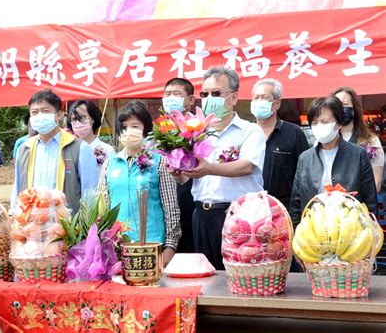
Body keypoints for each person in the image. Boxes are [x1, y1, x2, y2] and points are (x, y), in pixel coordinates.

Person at [171, 67, 266, 270]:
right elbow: (191, 178)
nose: (209, 99)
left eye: (216, 94)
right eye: (204, 94)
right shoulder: (196, 132)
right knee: (207, 277)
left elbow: (246, 166)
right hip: (202, 214)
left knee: (238, 273)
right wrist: (179, 173)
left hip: (237, 216)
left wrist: (209, 169)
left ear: (233, 98)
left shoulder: (250, 131)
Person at [99, 100, 181, 266]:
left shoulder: (159, 162)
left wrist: (170, 247)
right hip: (117, 246)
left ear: (145, 129)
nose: (129, 131)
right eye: (124, 127)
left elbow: (170, 206)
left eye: (135, 126)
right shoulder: (110, 163)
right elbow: (103, 206)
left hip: (152, 245)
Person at [290, 96, 377, 225]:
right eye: (314, 123)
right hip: (313, 230)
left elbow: (370, 200)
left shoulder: (358, 155)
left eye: (325, 121)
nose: (319, 126)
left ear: (339, 123)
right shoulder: (305, 158)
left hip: (349, 229)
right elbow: (296, 202)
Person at [12, 90, 99, 212]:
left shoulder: (79, 148)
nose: (39, 116)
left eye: (45, 111)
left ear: (59, 115)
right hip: (31, 225)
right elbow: (17, 189)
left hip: (68, 226)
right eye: (34, 112)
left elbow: (91, 192)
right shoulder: (24, 149)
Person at [251, 78, 309, 209]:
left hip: (284, 209)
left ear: (276, 104)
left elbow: (304, 175)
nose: (259, 102)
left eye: (264, 97)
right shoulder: (245, 133)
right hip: (250, 209)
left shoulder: (294, 133)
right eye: (256, 98)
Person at [162, 78, 196, 253]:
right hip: (165, 212)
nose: (170, 98)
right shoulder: (160, 129)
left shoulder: (199, 129)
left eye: (176, 94)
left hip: (191, 206)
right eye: (167, 94)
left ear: (190, 100)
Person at [332, 87, 384, 192]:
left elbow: (376, 183)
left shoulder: (371, 141)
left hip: (360, 204)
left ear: (355, 108)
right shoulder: (325, 141)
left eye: (345, 105)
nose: (340, 109)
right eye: (336, 106)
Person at [66, 99, 115, 170]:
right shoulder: (68, 150)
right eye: (74, 119)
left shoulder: (107, 151)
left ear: (92, 119)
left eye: (82, 118)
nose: (78, 123)